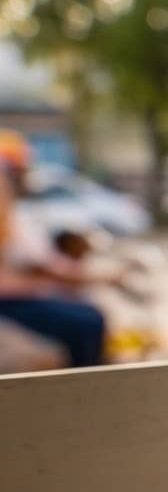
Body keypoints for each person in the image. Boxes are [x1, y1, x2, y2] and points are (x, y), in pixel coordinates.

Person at [0, 150, 108, 369]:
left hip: (27, 295)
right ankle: (79, 385)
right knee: (83, 324)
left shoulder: (18, 217)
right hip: (11, 302)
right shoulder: (8, 223)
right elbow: (34, 267)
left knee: (89, 316)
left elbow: (40, 261)